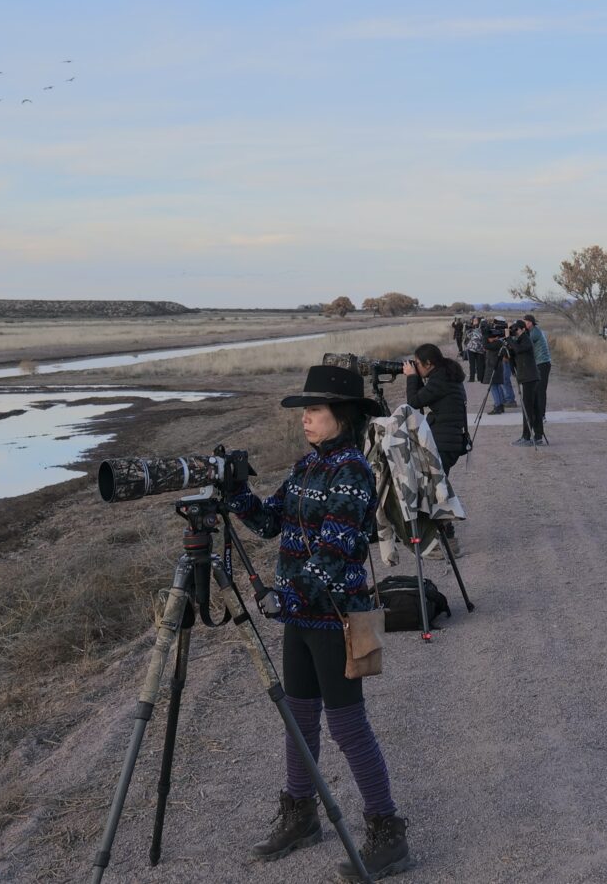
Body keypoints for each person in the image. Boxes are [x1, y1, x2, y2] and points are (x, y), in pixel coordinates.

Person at [228, 363, 411, 878]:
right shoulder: (306, 467)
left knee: (349, 728)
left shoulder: (351, 470)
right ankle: (301, 814)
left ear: (342, 415)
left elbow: (332, 555)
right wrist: (237, 493)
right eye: (304, 411)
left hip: (334, 619)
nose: (304, 419)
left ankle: (387, 831)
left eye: (314, 410)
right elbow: (269, 523)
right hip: (301, 618)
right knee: (299, 720)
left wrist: (284, 597)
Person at [403, 343, 470, 474]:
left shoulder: (440, 379)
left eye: (417, 363)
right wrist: (416, 376)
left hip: (444, 443)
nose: (415, 367)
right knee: (438, 487)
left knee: (436, 489)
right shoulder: (445, 374)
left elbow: (413, 402)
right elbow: (424, 395)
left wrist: (411, 376)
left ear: (428, 363)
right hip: (449, 441)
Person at [505, 318, 546, 444]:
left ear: (523, 329)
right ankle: (537, 436)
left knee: (528, 408)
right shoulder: (519, 340)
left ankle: (526, 437)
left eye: (516, 329)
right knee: (533, 407)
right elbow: (512, 355)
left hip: (530, 378)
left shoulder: (526, 340)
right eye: (514, 329)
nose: (515, 331)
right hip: (527, 378)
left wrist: (508, 339)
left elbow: (518, 349)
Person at [525, 314, 552, 414]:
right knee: (537, 389)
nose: (525, 324)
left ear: (531, 323)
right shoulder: (532, 331)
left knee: (541, 390)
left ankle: (542, 414)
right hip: (540, 363)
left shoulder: (535, 332)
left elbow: (526, 343)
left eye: (526, 322)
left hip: (543, 363)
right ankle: (538, 413)